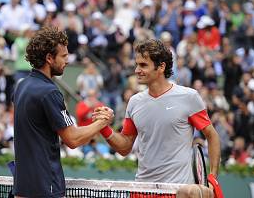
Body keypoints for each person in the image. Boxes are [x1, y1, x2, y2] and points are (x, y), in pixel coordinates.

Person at [93, 39, 221, 194]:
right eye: (137, 64)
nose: (136, 70)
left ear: (161, 67)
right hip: (142, 190)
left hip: (177, 191)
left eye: (143, 65)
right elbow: (125, 146)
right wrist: (103, 128)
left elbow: (212, 136)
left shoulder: (189, 97)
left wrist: (213, 177)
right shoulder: (134, 102)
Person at [12, 27, 113, 198]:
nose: (67, 60)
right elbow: (72, 139)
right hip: (45, 187)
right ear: (49, 58)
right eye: (64, 56)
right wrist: (102, 122)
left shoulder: (21, 86)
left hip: (22, 186)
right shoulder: (49, 92)